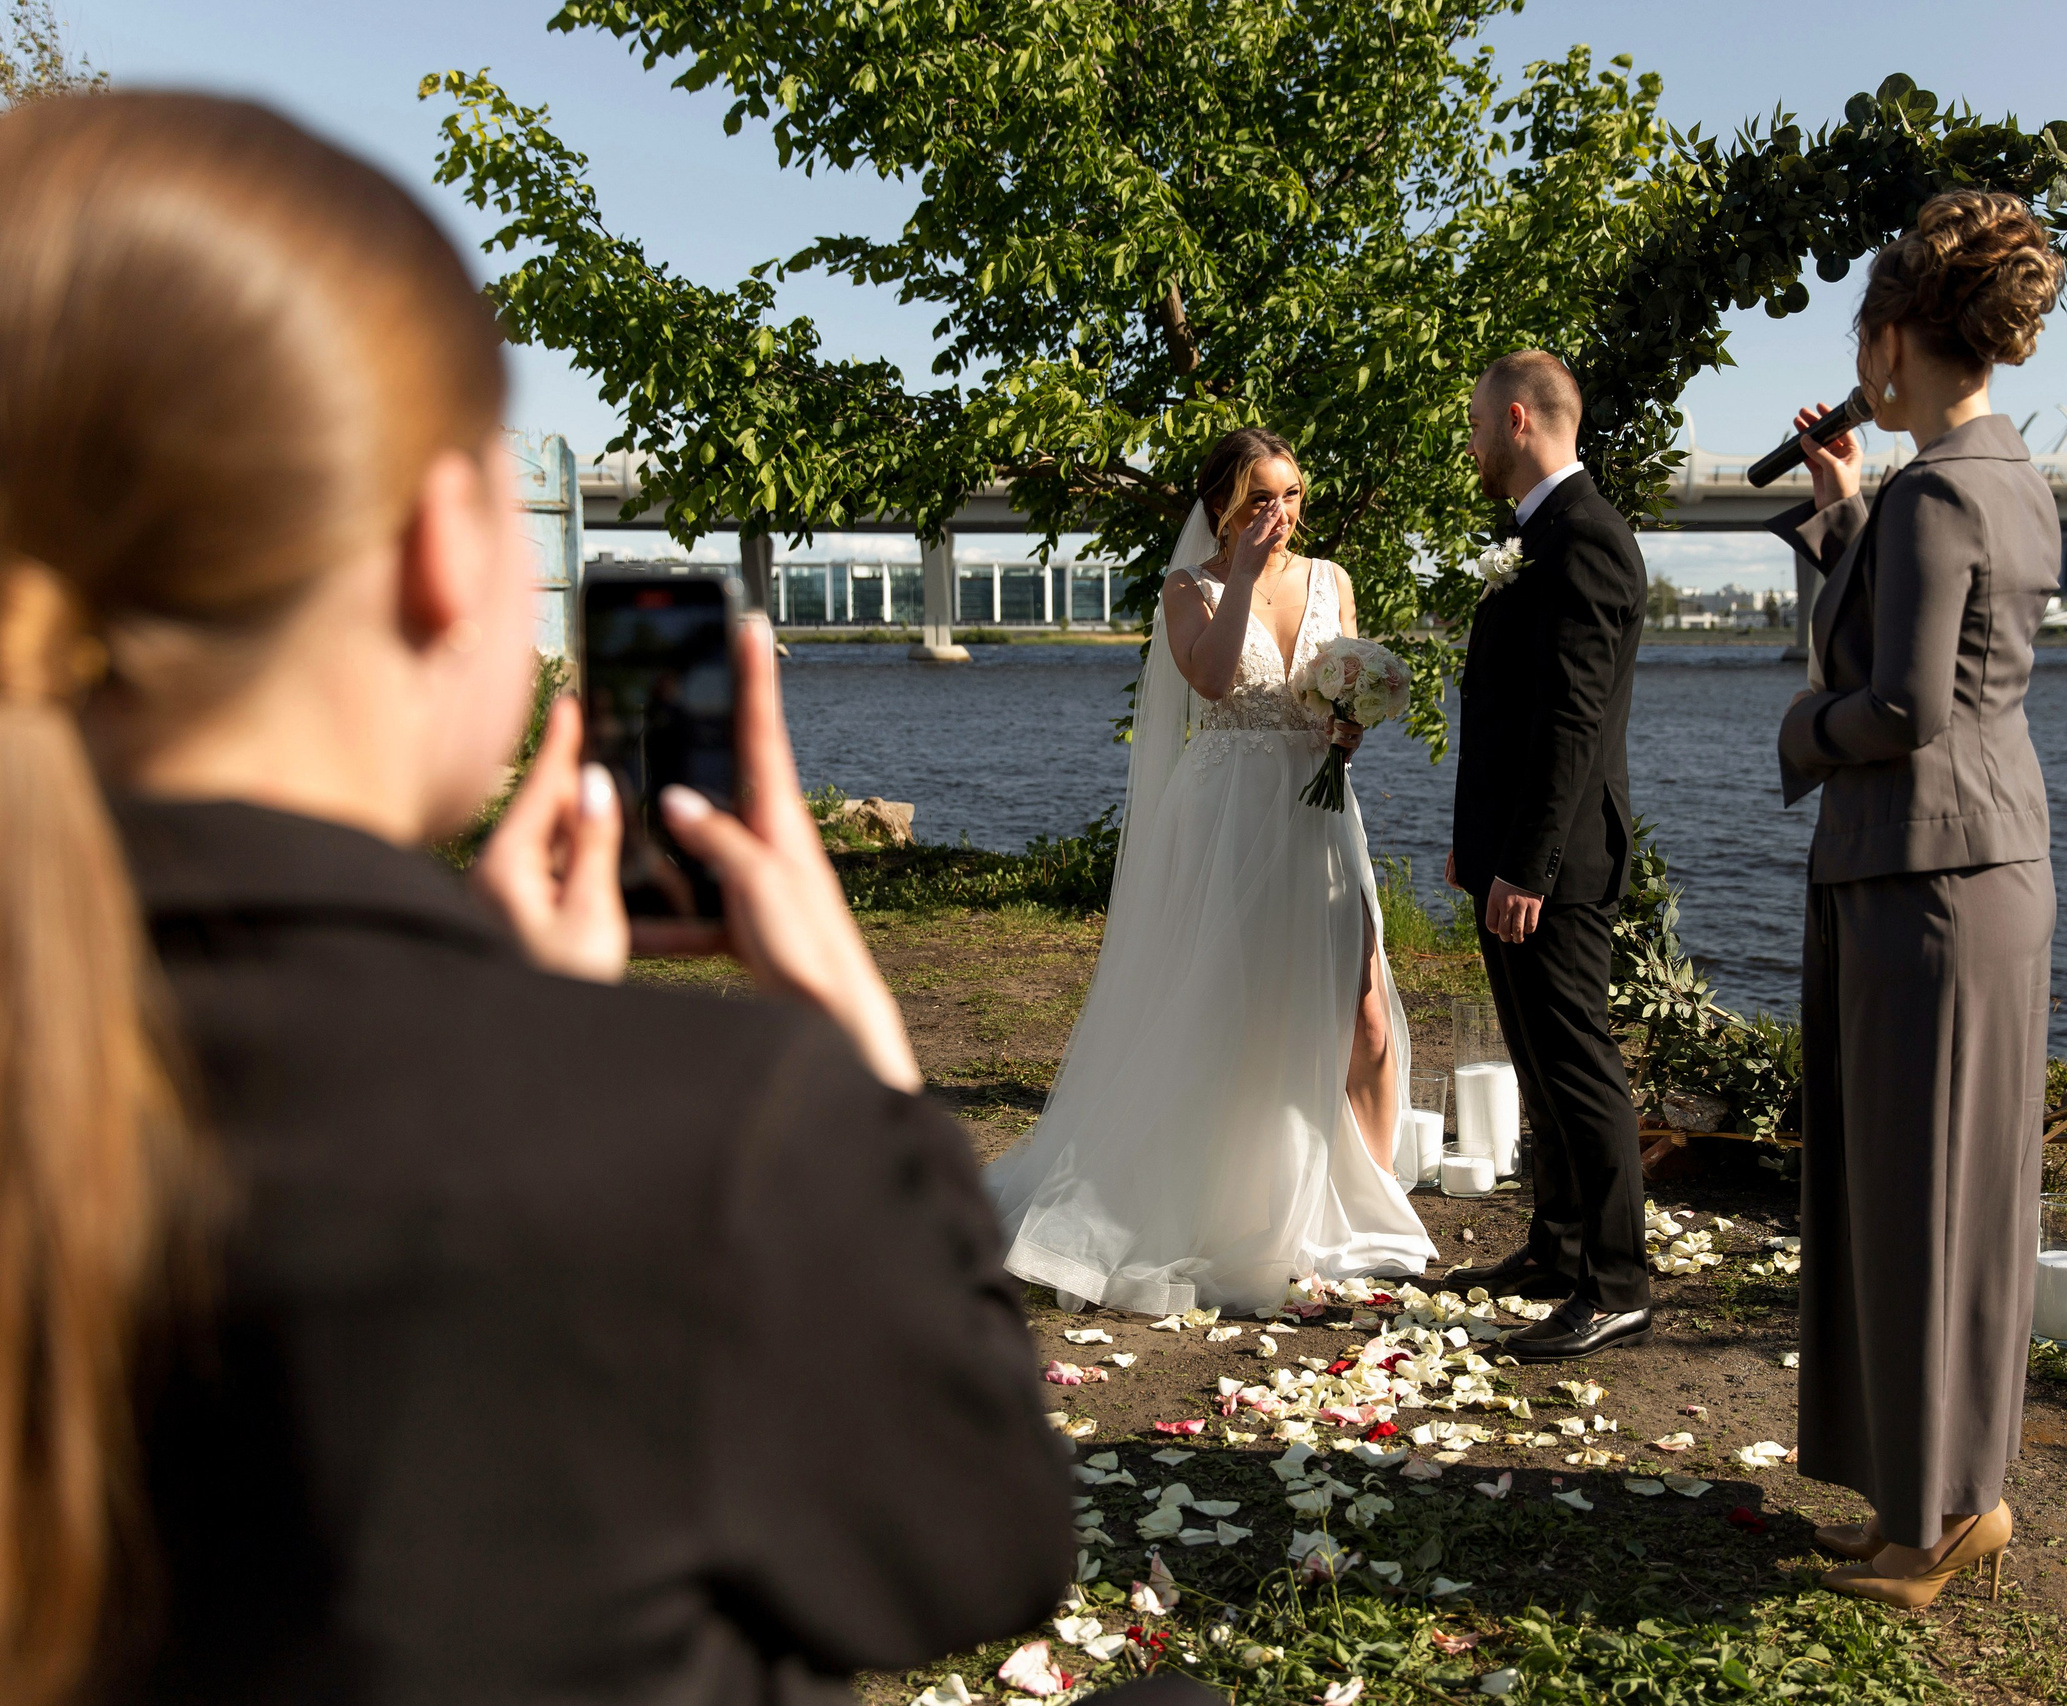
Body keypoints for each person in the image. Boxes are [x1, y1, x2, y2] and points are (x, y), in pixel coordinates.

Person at [0, 92, 1071, 1704]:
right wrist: (851, 1069)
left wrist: (519, 1035)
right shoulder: (713, 1140)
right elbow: (987, 1544)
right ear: (445, 544)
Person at [1767, 188, 2066, 1610]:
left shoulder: (1940, 491)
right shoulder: (2001, 477)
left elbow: (1898, 703)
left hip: (1925, 877)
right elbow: (1922, 653)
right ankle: (1947, 1496)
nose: (1859, 372)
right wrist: (1841, 520)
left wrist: (1794, 733)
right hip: (1973, 871)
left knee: (1917, 1193)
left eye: (1865, 343)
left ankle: (1931, 1523)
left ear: (1894, 341)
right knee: (1953, 1192)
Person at [983, 429, 1436, 1315]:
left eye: (1294, 495)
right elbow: (1218, 680)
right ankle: (1213, 1204)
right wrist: (1241, 578)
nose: (1284, 514)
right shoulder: (1189, 588)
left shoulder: (1331, 579)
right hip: (1229, 809)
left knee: (1367, 1014)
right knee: (1228, 1007)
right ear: (1224, 505)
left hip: (1318, 809)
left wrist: (1351, 724)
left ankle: (1371, 1212)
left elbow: (1338, 686)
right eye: (1263, 498)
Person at [1441, 352, 1652, 1364]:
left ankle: (1615, 1282)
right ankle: (1556, 1246)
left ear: (1517, 420)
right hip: (1513, 854)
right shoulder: (1538, 536)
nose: (1471, 443)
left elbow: (1571, 721)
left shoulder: (1586, 543)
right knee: (1536, 1057)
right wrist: (1473, 851)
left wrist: (1523, 863)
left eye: (1478, 425)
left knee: (1578, 1065)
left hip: (1556, 859)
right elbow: (1509, 718)